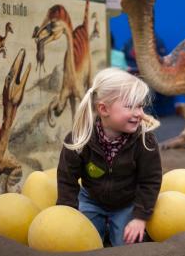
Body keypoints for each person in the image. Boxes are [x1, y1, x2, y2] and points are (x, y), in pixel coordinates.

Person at [56, 68, 162, 247]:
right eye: (130, 106)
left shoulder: (145, 139)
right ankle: (101, 225)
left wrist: (140, 218)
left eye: (140, 105)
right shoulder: (80, 138)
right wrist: (68, 213)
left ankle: (117, 227)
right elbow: (67, 178)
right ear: (104, 109)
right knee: (81, 241)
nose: (138, 113)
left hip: (127, 202)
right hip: (91, 199)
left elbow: (150, 181)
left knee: (127, 244)